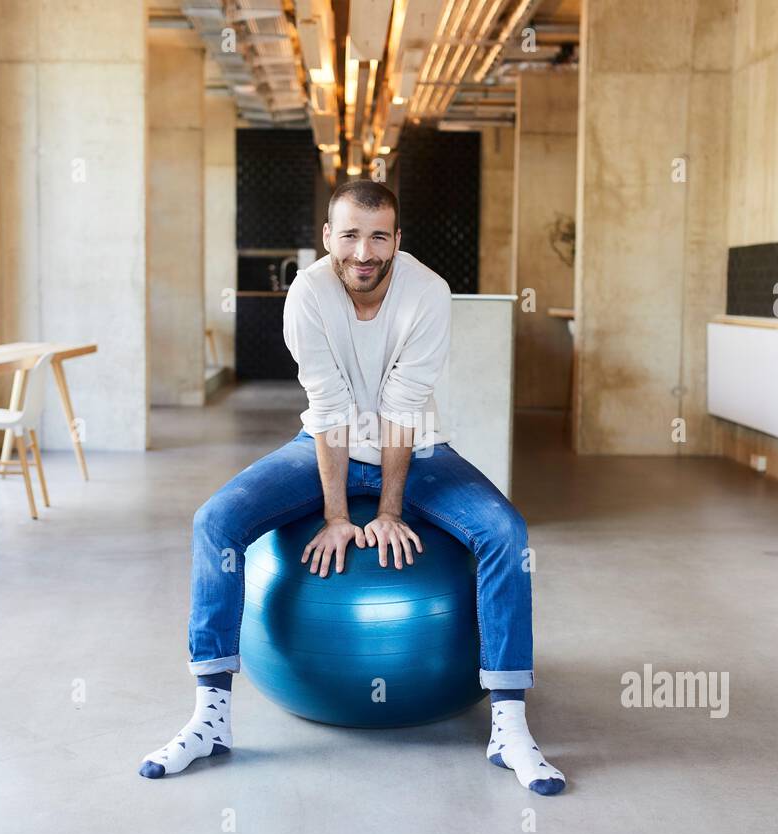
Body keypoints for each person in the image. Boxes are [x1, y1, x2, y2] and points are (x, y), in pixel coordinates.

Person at [138, 179, 566, 795]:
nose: (363, 253)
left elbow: (404, 406)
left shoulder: (428, 293)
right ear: (327, 237)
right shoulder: (307, 292)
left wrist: (390, 509)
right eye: (349, 236)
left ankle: (508, 724)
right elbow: (330, 408)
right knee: (215, 521)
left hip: (417, 448)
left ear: (397, 238)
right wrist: (337, 515)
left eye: (378, 237)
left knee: (504, 530)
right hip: (321, 445)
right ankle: (211, 717)